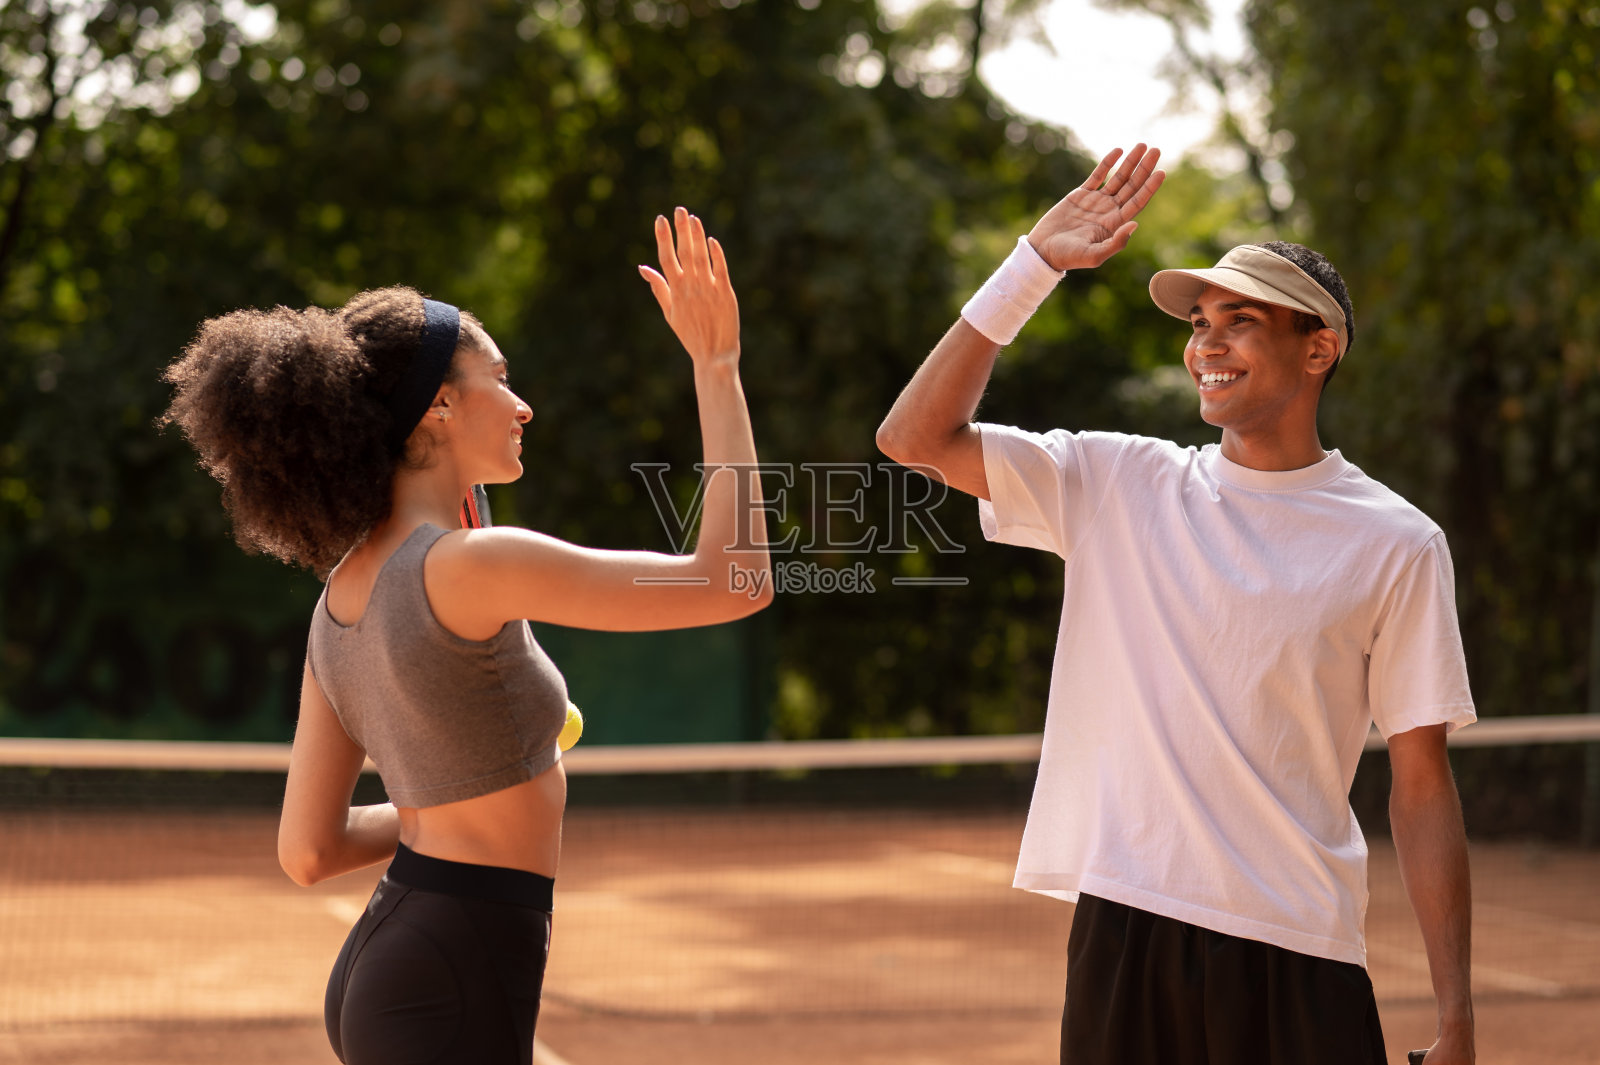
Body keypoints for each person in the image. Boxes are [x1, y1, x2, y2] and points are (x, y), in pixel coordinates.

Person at [877, 145, 1475, 1065]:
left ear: (1319, 348)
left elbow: (1422, 782)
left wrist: (1457, 1015)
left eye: (1240, 321)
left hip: (1301, 948)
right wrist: (1030, 264)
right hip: (1128, 930)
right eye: (1199, 323)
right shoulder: (1118, 480)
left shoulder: (1397, 541)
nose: (1206, 343)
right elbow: (913, 437)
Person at [161, 208, 771, 1065]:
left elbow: (310, 850)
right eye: (502, 379)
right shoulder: (478, 565)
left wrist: (440, 800)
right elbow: (735, 580)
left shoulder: (337, 599)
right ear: (440, 404)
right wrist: (718, 364)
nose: (522, 405)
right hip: (454, 972)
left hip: (400, 960)